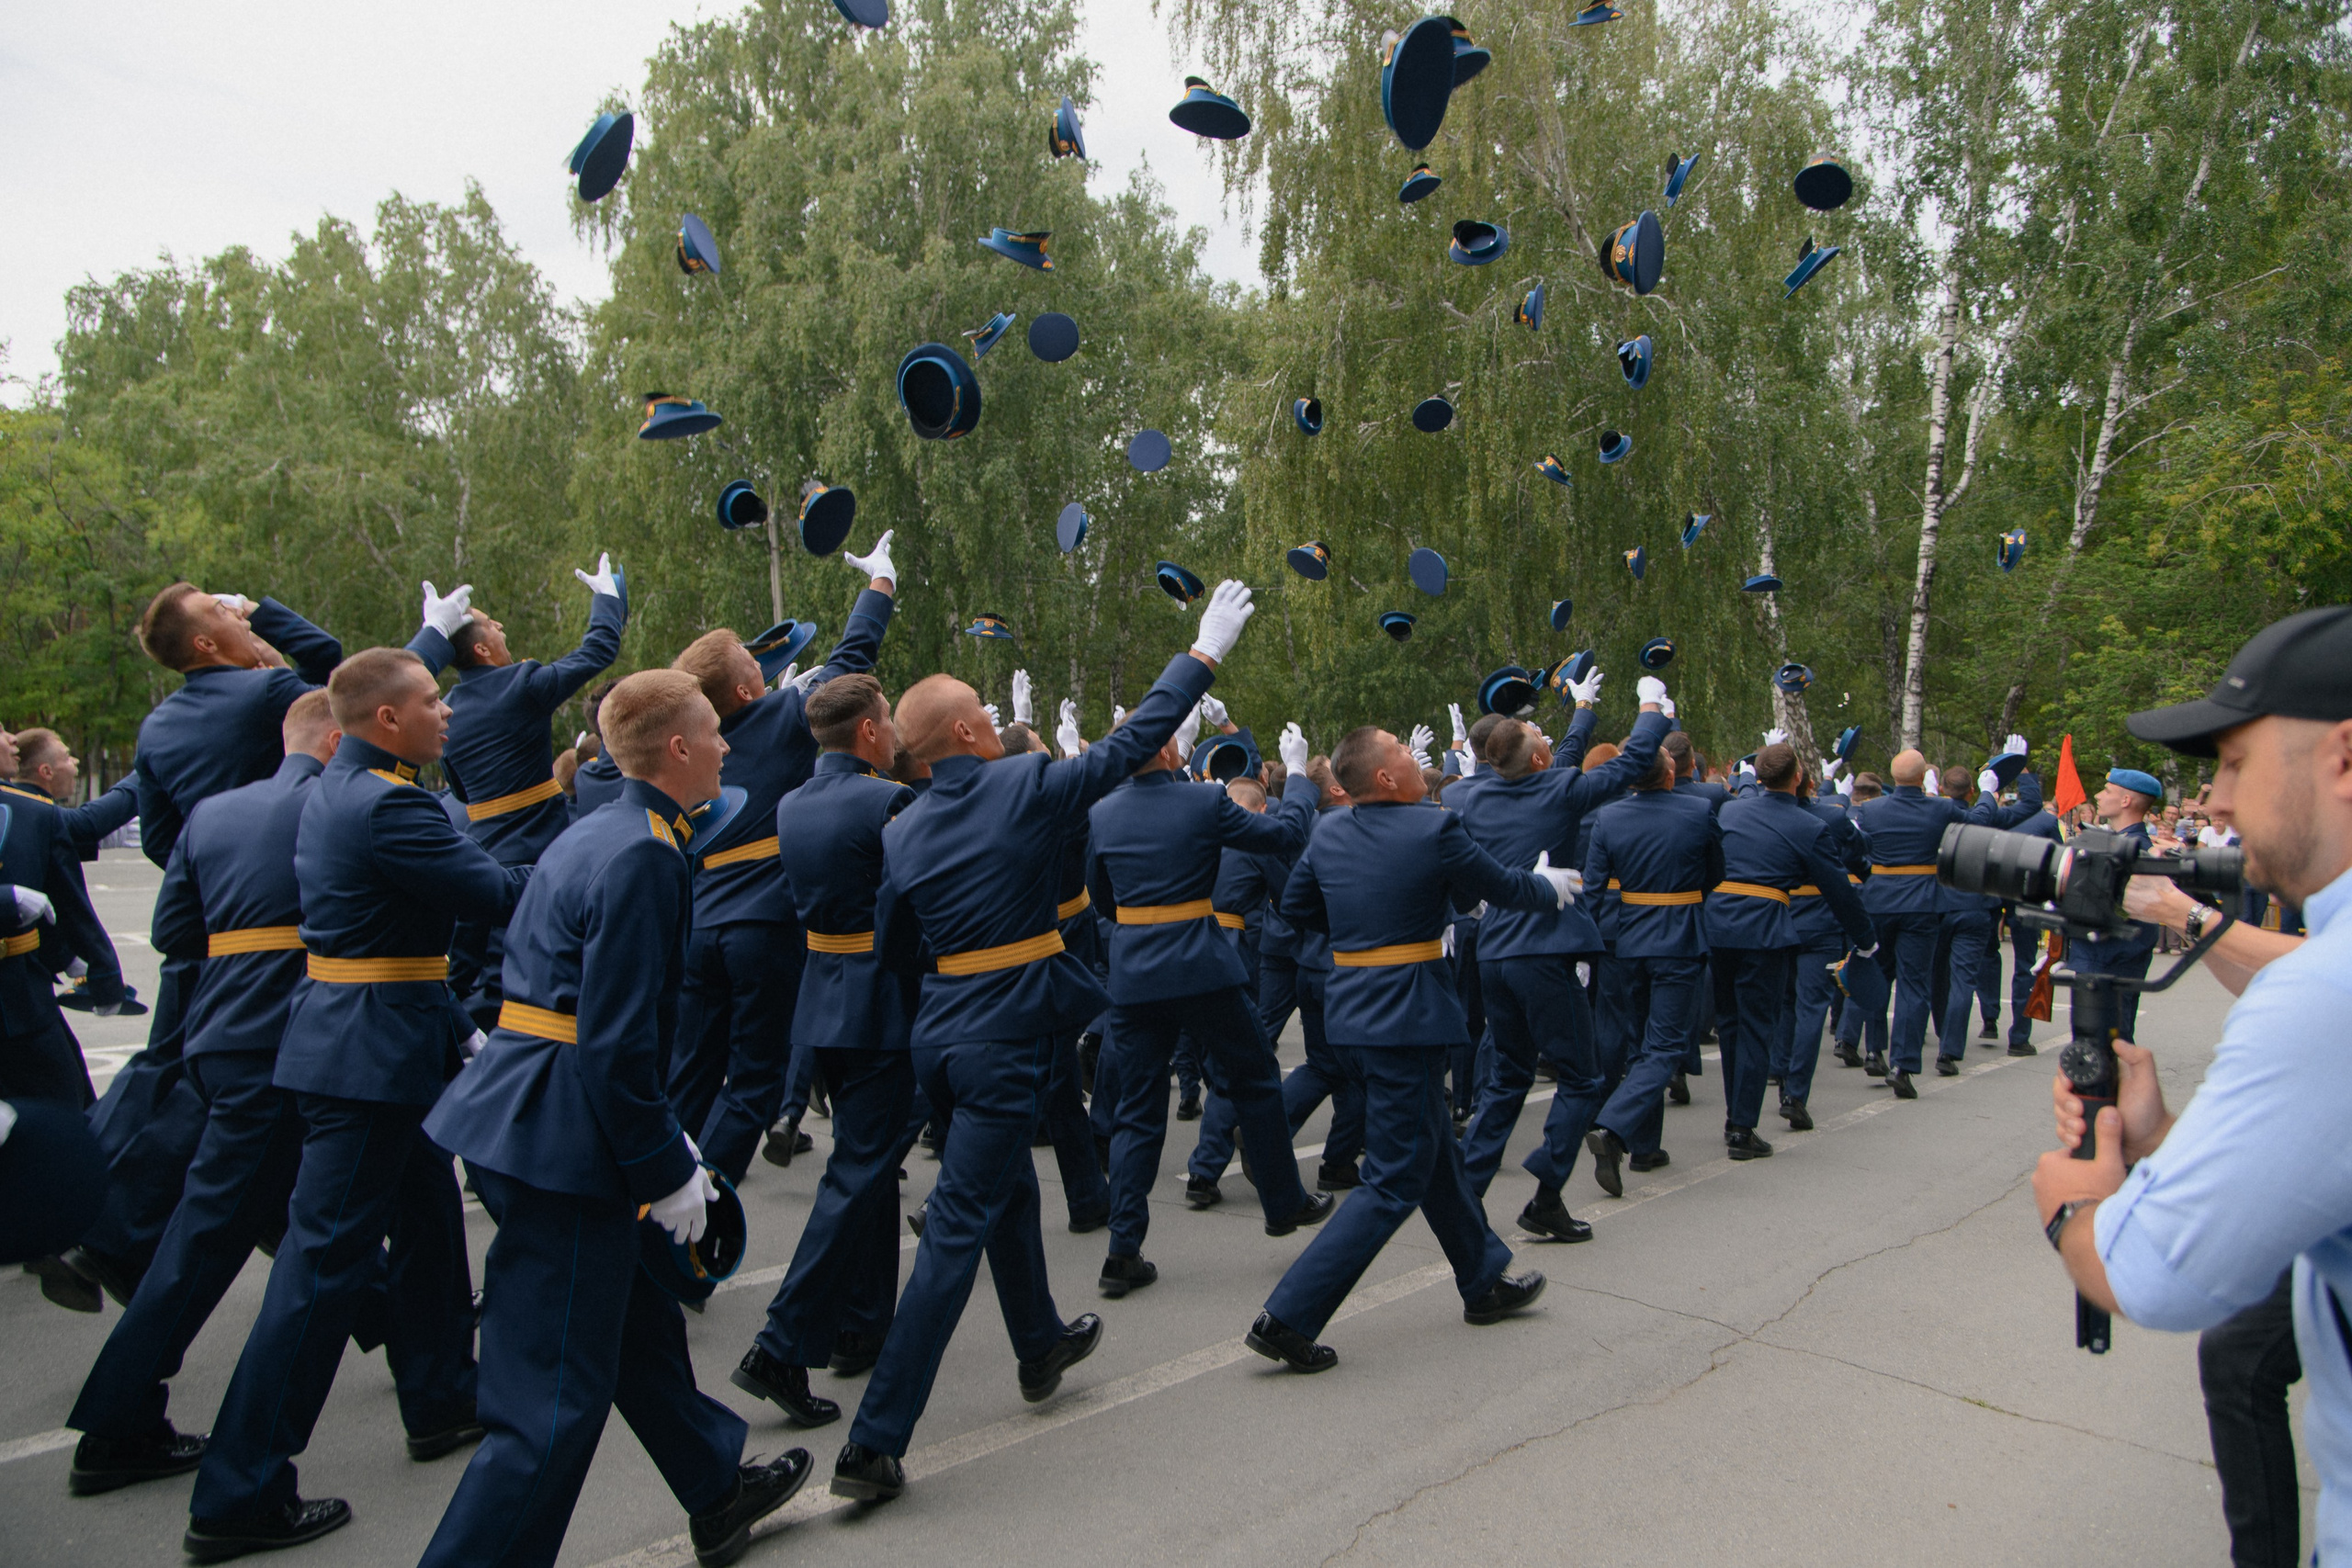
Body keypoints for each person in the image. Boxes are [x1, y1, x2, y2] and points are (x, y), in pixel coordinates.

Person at [826, 580, 1260, 1501]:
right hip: (1005, 1036)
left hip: (940, 1040)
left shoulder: (902, 826)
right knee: (953, 1231)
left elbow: (895, 945)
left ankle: (1039, 1345)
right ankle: (874, 1442)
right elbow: (1134, 743)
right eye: (982, 710)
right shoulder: (1019, 784)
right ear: (972, 736)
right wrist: (1204, 652)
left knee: (1005, 1194)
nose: (992, 717)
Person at [183, 645, 522, 1560]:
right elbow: (494, 893)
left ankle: (442, 1395)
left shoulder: (344, 787)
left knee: (425, 1220)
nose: (445, 713)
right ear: (386, 722)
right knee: (319, 1272)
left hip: (377, 1037)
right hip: (370, 1051)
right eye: (428, 701)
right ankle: (239, 1488)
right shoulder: (395, 804)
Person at [2031, 604, 2352, 1567]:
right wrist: (2166, 1137)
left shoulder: (2323, 994)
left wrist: (2073, 1206)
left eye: (2236, 760)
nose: (2211, 798)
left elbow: (2151, 1273)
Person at [74, 583, 456, 1309]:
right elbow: (347, 679)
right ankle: (408, 1325)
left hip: (216, 932)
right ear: (208, 644)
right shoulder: (261, 696)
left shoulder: (158, 727)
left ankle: (115, 1234)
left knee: (197, 1092)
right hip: (298, 938)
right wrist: (263, 610)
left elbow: (164, 839)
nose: (232, 611)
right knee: (324, 1145)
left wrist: (221, 878)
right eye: (219, 611)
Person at [62, 692, 340, 1492]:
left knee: (294, 1223)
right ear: (332, 741)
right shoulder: (340, 804)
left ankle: (428, 1353)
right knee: (212, 1240)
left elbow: (175, 933)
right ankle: (119, 1422)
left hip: (218, 1034)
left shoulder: (213, 815)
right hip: (285, 1042)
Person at [1244, 724, 1575, 1372]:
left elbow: (1301, 904)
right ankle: (1287, 1315)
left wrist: (1369, 925)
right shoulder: (1433, 827)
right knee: (1394, 1177)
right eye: (1401, 750)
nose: (1413, 757)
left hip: (1356, 1008)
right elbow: (1499, 887)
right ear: (1387, 778)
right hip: (1410, 1013)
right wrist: (1549, 885)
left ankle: (1483, 1278)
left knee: (1434, 1151)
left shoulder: (1330, 830)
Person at [667, 535, 899, 1185]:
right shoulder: (778, 716)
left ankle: (653, 1206)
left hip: (701, 925)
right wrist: (880, 585)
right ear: (744, 687)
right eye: (752, 659)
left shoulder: (695, 742)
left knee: (689, 1078)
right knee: (752, 1082)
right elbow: (851, 662)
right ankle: (700, 1215)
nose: (764, 662)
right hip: (761, 926)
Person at [730, 671, 927, 1424]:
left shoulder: (791, 803)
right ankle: (781, 1343)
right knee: (858, 1172)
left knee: (869, 1167)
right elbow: (915, 903)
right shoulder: (889, 801)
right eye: (887, 718)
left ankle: (859, 1322)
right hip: (884, 1001)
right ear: (871, 732)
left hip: (825, 1002)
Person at [1088, 713, 1328, 1296]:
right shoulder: (1202, 803)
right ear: (1170, 751)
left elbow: (1102, 894)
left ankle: (1123, 1249)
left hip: (1136, 972)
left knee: (1138, 1111)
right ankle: (1281, 1202)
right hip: (1201, 964)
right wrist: (1295, 774)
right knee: (1255, 1079)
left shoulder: (1102, 811)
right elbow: (1284, 836)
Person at [1452, 668, 1668, 1239]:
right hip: (1543, 950)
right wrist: (1649, 705)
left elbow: (1550, 756)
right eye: (1542, 741)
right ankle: (1547, 1194)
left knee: (1508, 1077)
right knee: (1581, 1078)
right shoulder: (1559, 788)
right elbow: (1631, 761)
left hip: (1495, 949)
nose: (1548, 742)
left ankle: (1465, 1191)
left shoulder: (1476, 796)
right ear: (1542, 762)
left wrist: (1584, 709)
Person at [424, 554, 627, 1031]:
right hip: (542, 849)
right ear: (481, 651)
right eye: (490, 626)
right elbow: (597, 653)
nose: (498, 626)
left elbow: (457, 786)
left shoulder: (445, 710)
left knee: (495, 984)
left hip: (481, 858)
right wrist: (607, 600)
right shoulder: (522, 684)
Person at [1187, 752, 1363, 1201]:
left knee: (1325, 1059)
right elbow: (1292, 895)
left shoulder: (1204, 831)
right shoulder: (1270, 834)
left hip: (1261, 948)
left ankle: (1210, 1167)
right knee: (1311, 1056)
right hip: (1290, 949)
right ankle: (1237, 1151)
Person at [1705, 740, 1878, 1153]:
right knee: (1755, 1028)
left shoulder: (1730, 810)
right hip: (1763, 930)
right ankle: (1740, 1128)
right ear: (1798, 778)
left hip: (1718, 925)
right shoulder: (1809, 826)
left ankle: (1736, 1116)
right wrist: (1867, 940)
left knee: (1730, 1024)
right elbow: (1840, 890)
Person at [1847, 744, 2041, 1097]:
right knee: (1913, 986)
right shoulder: (1938, 809)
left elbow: (1856, 848)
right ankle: (1904, 1065)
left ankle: (1874, 1049)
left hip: (1880, 902)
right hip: (1921, 905)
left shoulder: (1871, 810)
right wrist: (1987, 791)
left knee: (1878, 976)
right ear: (1924, 778)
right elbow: (1980, 822)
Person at [1582, 726, 1721, 1193]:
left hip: (1626, 939)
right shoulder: (1700, 810)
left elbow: (1596, 887)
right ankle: (1615, 1128)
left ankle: (1646, 1145)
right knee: (1664, 1048)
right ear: (1669, 776)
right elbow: (1715, 872)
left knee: (1641, 1042)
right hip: (1678, 936)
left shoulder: (1609, 818)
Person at [2071, 765, 2165, 1039]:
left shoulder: (2136, 851)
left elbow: (2117, 911)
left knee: (2110, 1046)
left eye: (2107, 790)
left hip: (2112, 960)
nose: (2099, 795)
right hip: (2101, 957)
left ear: (2126, 801)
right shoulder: (2117, 843)